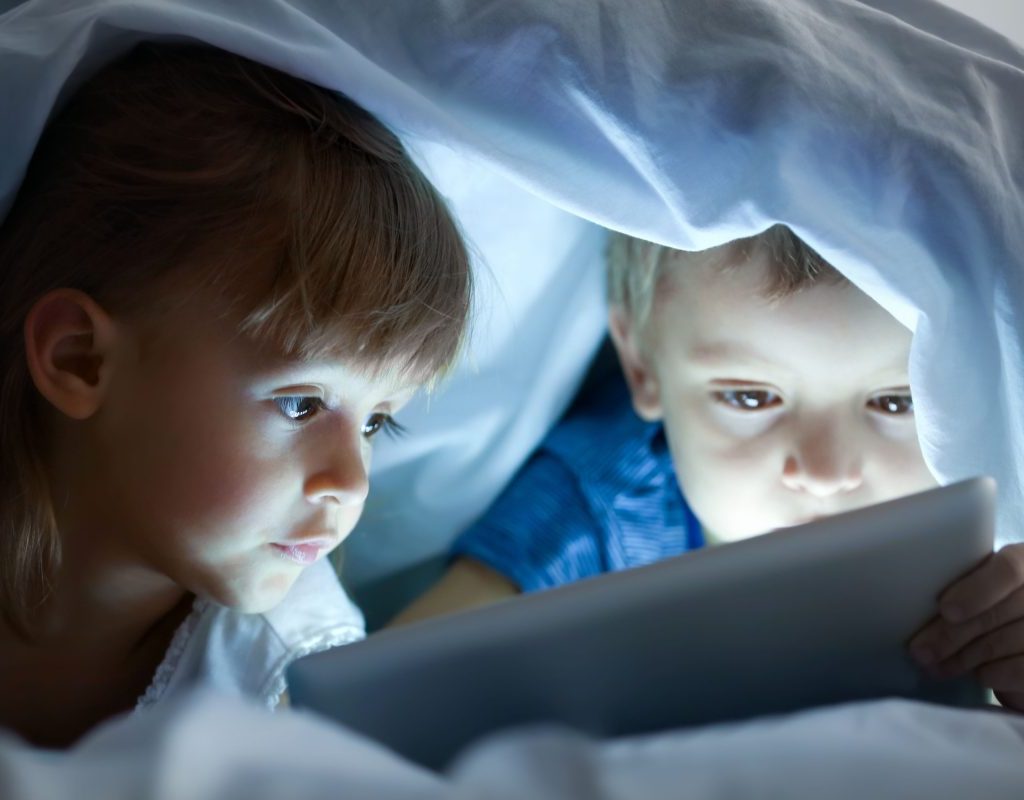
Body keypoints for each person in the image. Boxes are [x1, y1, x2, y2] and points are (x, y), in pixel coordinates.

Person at [0, 42, 472, 747]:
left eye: (377, 424)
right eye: (301, 404)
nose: (350, 482)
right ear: (82, 359)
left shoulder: (291, 675)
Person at [391, 225, 1024, 713]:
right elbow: (386, 693)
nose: (827, 473)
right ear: (641, 366)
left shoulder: (983, 528)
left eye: (896, 401)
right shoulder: (597, 507)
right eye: (750, 397)